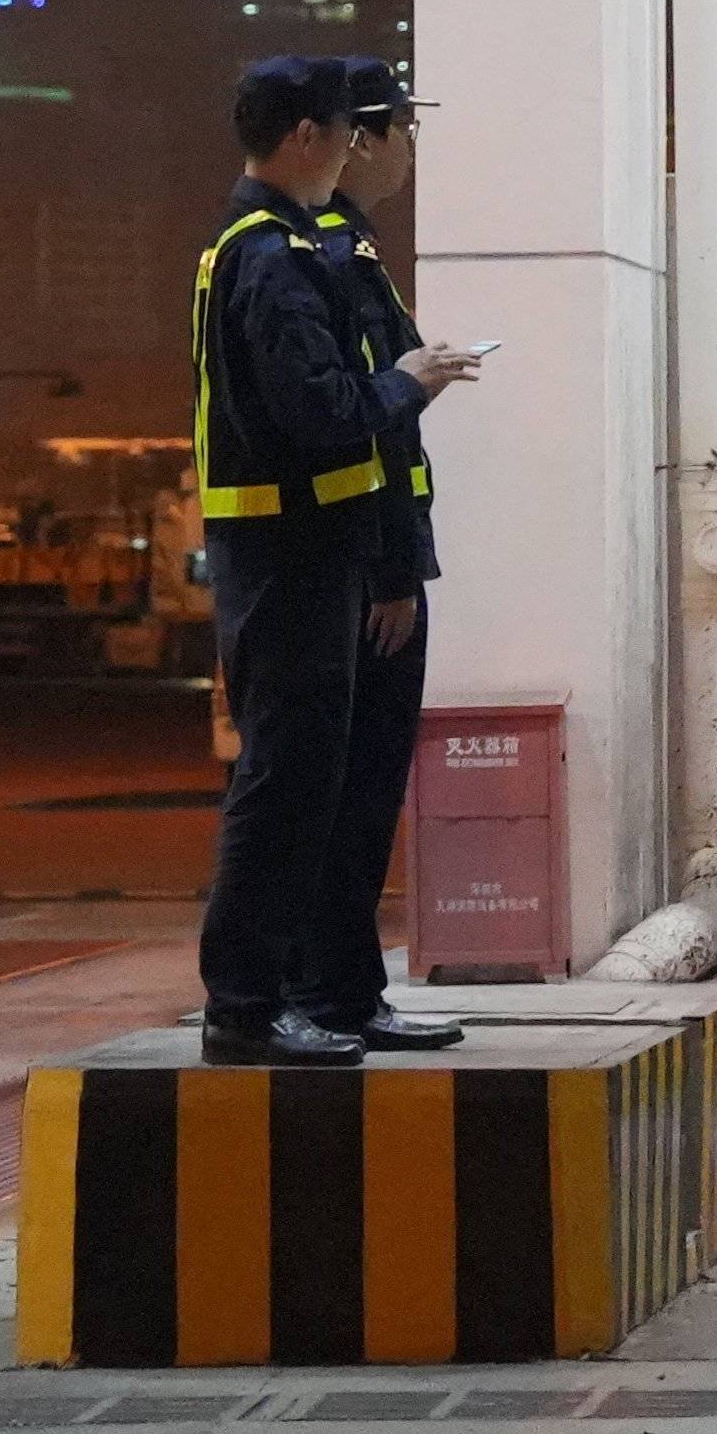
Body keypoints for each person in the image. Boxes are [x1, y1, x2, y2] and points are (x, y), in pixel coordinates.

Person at [190, 55, 474, 1061]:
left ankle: (334, 995)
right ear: (310, 136)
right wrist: (407, 382)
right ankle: (245, 1009)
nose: (367, 146)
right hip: (291, 558)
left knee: (330, 792)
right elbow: (324, 413)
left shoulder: (300, 247)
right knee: (285, 790)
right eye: (356, 128)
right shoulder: (272, 258)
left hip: (320, 552)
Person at [295, 55, 456, 1042]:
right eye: (404, 125)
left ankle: (343, 993)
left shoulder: (349, 248)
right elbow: (361, 426)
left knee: (357, 795)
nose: (412, 147)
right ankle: (333, 995)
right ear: (359, 139)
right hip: (361, 573)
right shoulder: (328, 256)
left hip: (363, 565)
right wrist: (393, 570)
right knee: (348, 796)